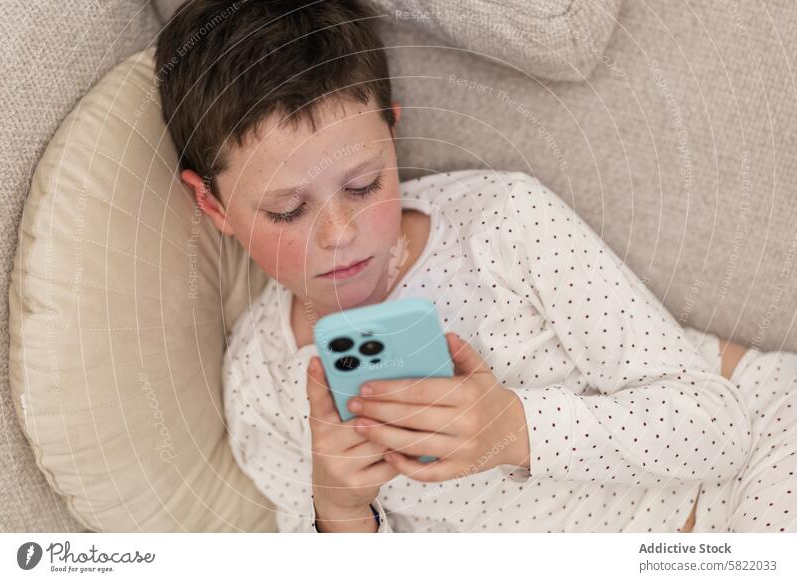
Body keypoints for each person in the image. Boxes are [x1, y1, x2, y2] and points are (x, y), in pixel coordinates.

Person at [156, 0, 794, 533]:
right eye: (288, 210)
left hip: (754, 458)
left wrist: (512, 427)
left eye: (362, 184)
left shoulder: (500, 225)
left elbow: (716, 428)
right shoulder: (262, 385)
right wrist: (340, 511)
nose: (340, 234)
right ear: (212, 204)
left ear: (392, 137)